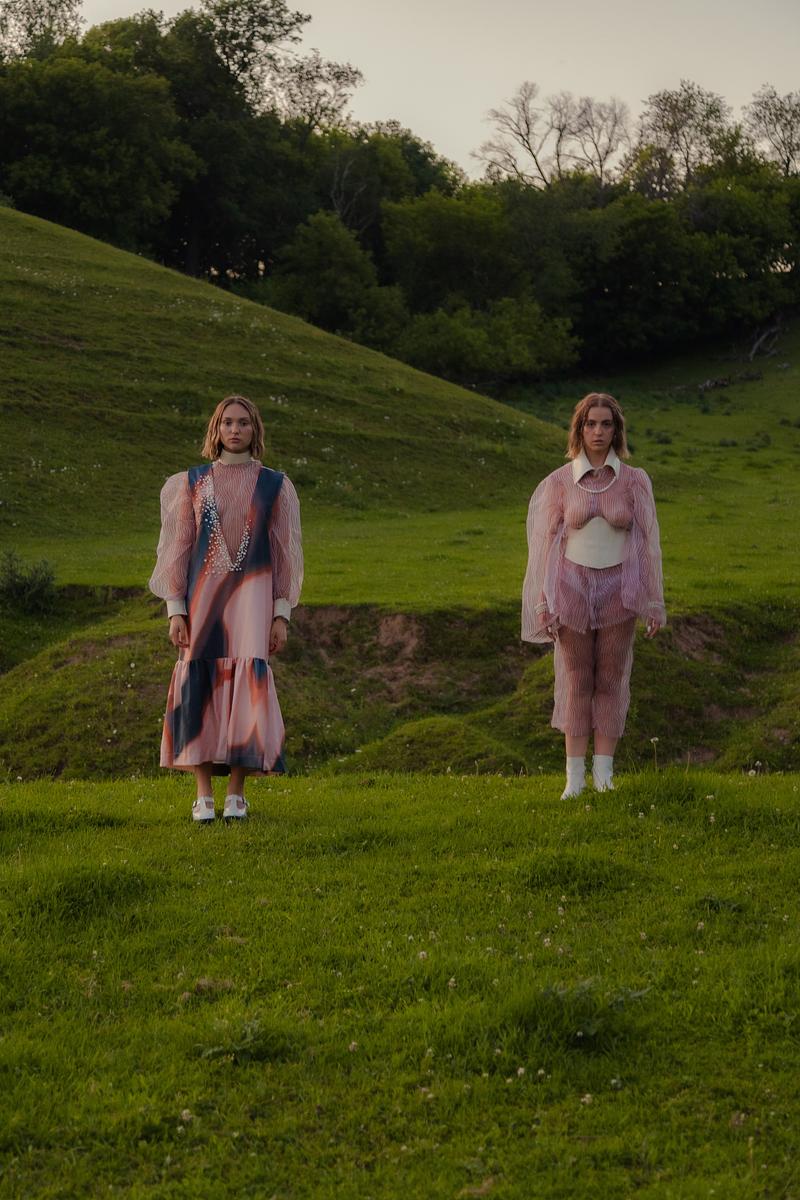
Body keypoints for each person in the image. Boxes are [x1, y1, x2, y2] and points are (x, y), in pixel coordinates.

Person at [149, 395, 303, 822]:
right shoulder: (190, 483)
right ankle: (203, 795)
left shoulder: (276, 486)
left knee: (247, 690)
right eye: (228, 422)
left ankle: (236, 793)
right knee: (198, 686)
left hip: (254, 602)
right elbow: (176, 550)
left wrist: (281, 614)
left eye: (244, 423)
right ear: (216, 429)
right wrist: (175, 609)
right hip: (202, 603)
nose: (235, 430)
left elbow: (286, 555)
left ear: (255, 430)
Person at [521, 392, 665, 798]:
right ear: (579, 429)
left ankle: (604, 776)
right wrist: (543, 600)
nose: (598, 431)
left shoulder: (635, 480)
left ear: (616, 430)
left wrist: (653, 599)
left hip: (620, 589)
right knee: (575, 679)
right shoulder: (559, 482)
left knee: (612, 679)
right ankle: (574, 779)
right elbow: (544, 546)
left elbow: (648, 543)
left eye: (606, 424)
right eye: (590, 424)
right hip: (571, 589)